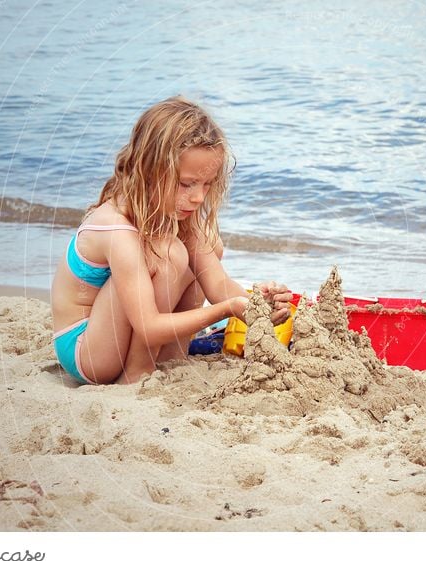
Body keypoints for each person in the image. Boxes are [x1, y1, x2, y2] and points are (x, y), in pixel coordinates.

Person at [50, 96, 292, 385]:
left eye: (207, 184)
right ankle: (136, 374)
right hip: (87, 350)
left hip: (121, 336)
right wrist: (228, 310)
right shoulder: (115, 229)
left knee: (207, 245)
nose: (199, 197)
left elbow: (217, 285)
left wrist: (256, 304)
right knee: (167, 253)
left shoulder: (171, 211)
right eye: (186, 184)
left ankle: (172, 359)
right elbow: (149, 326)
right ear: (149, 171)